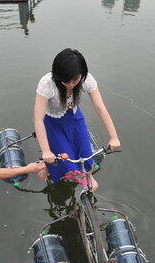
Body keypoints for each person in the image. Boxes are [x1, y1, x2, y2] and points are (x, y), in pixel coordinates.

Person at [34, 49, 120, 191]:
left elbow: (100, 108)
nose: (70, 84)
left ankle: (89, 177)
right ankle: (47, 165)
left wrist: (114, 137)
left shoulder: (86, 79)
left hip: (74, 117)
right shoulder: (46, 84)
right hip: (52, 121)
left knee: (86, 155)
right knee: (65, 162)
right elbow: (38, 119)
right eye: (66, 80)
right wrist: (46, 151)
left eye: (75, 80)